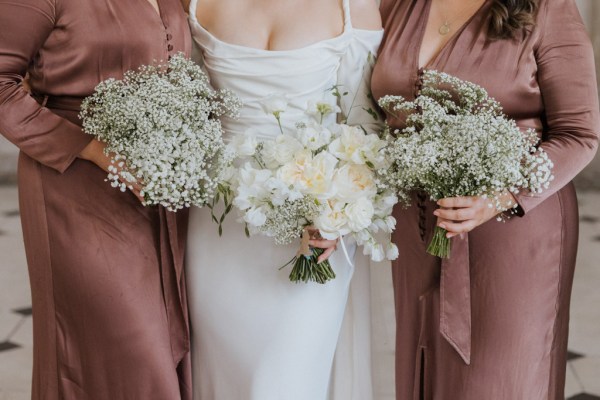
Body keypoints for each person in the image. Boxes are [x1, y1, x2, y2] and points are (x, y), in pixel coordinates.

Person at [372, 0, 599, 398]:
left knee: (498, 378)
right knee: (424, 364)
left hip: (513, 225)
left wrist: (501, 195)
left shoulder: (547, 8)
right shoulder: (397, 5)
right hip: (418, 223)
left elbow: (579, 134)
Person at [183, 0, 384, 398]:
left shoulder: (351, 5)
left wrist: (338, 215)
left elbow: (367, 127)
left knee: (286, 378)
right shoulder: (194, 4)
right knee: (222, 372)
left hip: (313, 225)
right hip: (218, 223)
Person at [0, 0, 193, 398]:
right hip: (72, 184)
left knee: (166, 345)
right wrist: (90, 147)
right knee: (132, 351)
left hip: (159, 192)